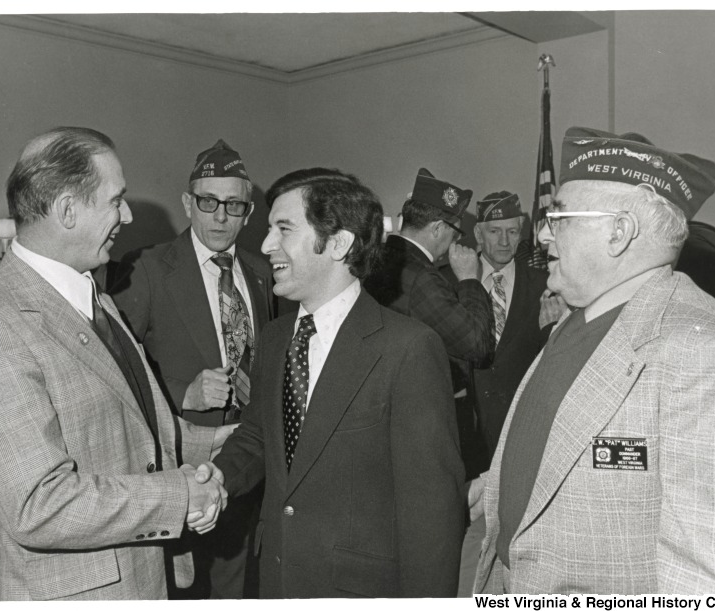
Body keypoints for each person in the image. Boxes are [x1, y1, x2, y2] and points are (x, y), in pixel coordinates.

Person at [473, 127, 715, 594]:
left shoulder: (706, 352)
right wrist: (498, 482)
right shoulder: (579, 317)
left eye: (559, 217)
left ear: (619, 231)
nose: (540, 233)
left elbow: (710, 578)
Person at [0, 127, 228, 600]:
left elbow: (128, 426)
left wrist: (213, 444)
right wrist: (180, 496)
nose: (127, 216)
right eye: (117, 200)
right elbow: (38, 504)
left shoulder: (97, 299)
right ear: (69, 209)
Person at [214, 168, 466, 597]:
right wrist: (214, 480)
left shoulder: (407, 349)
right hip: (277, 580)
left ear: (338, 243)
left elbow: (432, 516)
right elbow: (259, 437)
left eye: (284, 229)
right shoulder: (275, 339)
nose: (265, 245)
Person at [110, 138, 276, 599]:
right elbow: (114, 370)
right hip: (180, 463)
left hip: (247, 459)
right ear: (188, 204)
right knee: (182, 587)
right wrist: (183, 392)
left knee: (237, 583)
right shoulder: (144, 268)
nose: (220, 217)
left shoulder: (261, 272)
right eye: (208, 202)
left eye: (234, 205)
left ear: (247, 211)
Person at [457, 190, 566, 596]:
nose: (505, 241)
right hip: (467, 435)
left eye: (513, 231)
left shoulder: (548, 283)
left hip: (520, 435)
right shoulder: (454, 282)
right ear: (478, 234)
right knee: (465, 541)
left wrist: (552, 330)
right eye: (496, 232)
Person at [365, 168, 492, 483]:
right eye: (454, 231)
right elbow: (476, 343)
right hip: (420, 419)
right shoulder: (422, 277)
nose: (454, 240)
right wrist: (469, 280)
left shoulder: (373, 260)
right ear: (438, 228)